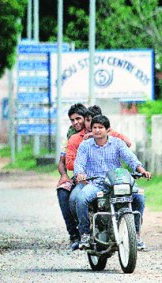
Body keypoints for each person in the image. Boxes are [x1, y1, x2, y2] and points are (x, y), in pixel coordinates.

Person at [71, 115, 151, 250]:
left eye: (100, 128)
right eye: (94, 127)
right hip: (97, 183)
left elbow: (130, 158)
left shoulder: (117, 143)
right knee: (81, 198)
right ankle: (84, 234)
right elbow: (79, 163)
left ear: (108, 130)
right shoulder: (85, 145)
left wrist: (141, 170)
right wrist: (79, 174)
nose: (97, 130)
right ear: (91, 129)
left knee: (139, 197)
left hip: (118, 181)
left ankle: (136, 235)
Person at [56, 104, 88, 250]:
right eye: (72, 120)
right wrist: (64, 175)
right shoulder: (71, 137)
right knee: (62, 190)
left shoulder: (97, 130)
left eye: (78, 119)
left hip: (96, 175)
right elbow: (62, 161)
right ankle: (74, 235)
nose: (76, 123)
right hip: (77, 176)